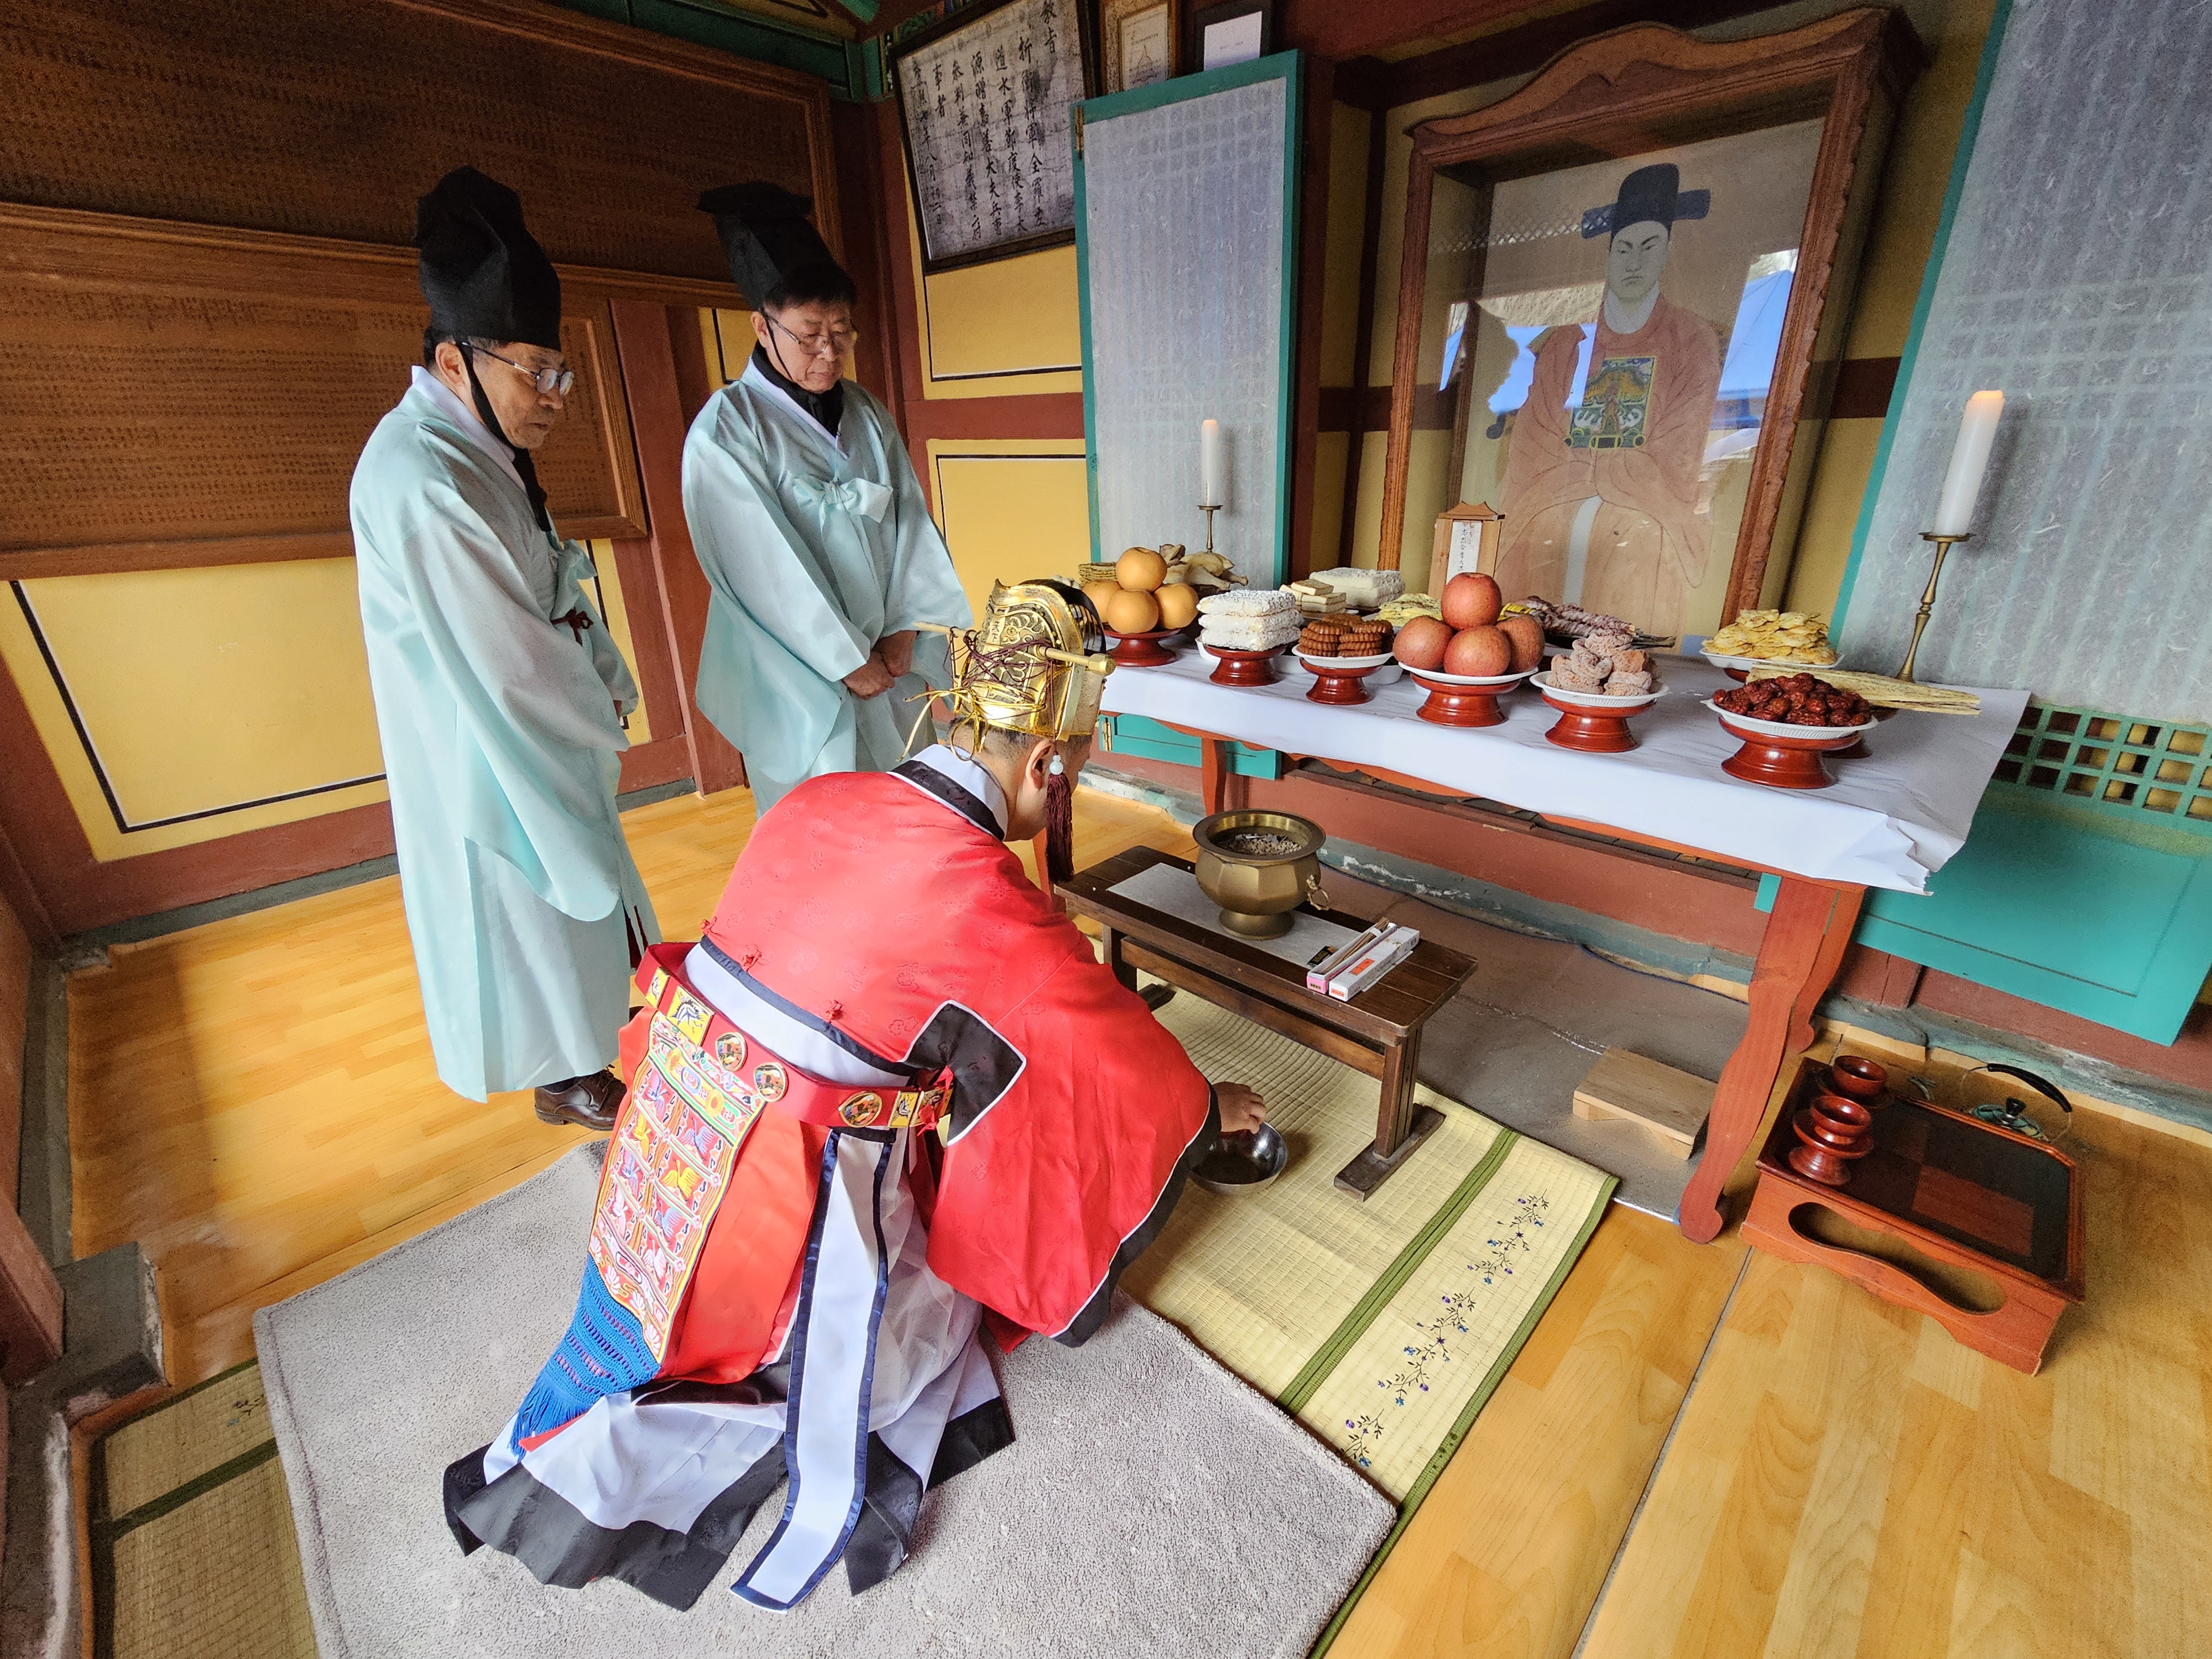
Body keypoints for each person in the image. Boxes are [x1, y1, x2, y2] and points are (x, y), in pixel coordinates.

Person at [443, 581, 1268, 1612]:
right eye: (1072, 772)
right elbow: (1109, 1063)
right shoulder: (981, 897)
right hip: (785, 1209)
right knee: (923, 1347)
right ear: (1047, 765)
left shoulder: (818, 798)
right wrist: (1204, 1105)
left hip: (665, 1155)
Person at [351, 166, 659, 1131]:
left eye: (561, 373)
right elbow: (508, 659)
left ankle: (583, 1045)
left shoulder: (481, 448)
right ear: (455, 362)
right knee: (528, 906)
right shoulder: (422, 477)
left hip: (531, 708)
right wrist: (595, 705)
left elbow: (551, 587)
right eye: (536, 372)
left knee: (568, 901)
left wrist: (601, 677)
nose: (555, 396)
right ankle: (567, 1073)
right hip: (486, 738)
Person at [681, 181, 972, 812]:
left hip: (889, 660)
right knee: (824, 821)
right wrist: (844, 659)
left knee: (908, 805)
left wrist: (904, 628)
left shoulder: (865, 411)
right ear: (763, 328)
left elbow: (910, 522)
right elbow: (762, 572)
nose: (829, 351)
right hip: (805, 676)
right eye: (809, 334)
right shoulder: (727, 431)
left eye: (841, 332)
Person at [1493, 163, 1724, 640]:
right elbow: (1534, 436)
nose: (1634, 263)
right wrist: (1581, 476)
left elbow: (1684, 446)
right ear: (1608, 256)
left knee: (1635, 540)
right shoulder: (1567, 342)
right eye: (1623, 249)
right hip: (1554, 494)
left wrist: (1602, 472)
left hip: (1647, 506)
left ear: (1668, 252)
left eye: (1648, 247)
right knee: (1537, 539)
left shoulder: (1691, 339)